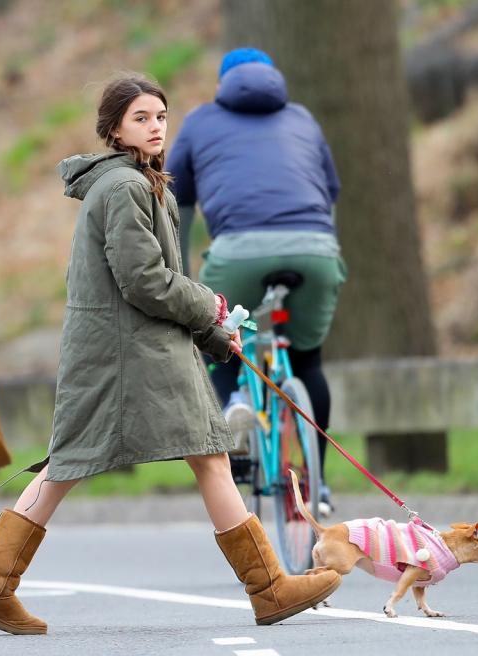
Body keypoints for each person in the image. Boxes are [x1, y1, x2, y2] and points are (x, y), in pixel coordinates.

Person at [0, 74, 340, 635]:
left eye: (161, 116)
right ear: (113, 128)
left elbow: (155, 286)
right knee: (121, 460)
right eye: (141, 117)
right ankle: (269, 588)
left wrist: (213, 331)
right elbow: (144, 281)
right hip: (126, 354)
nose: (156, 126)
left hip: (132, 347)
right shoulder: (124, 188)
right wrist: (209, 306)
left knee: (149, 458)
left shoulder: (139, 183)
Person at [165, 47, 347, 508]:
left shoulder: (201, 122)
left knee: (220, 336)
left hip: (239, 253)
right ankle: (320, 484)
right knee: (308, 363)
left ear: (224, 83)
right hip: (315, 250)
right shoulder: (302, 118)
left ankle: (233, 407)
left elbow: (177, 208)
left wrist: (185, 286)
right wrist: (325, 252)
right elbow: (329, 194)